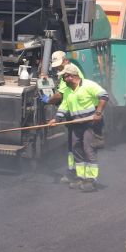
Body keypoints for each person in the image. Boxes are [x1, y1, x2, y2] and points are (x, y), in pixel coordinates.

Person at [48, 64, 109, 192]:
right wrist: (56, 119)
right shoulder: (69, 91)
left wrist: (98, 113)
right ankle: (81, 177)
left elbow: (104, 96)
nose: (63, 80)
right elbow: (64, 106)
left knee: (88, 149)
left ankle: (91, 180)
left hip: (90, 124)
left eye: (64, 77)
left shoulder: (89, 85)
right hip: (77, 124)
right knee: (76, 149)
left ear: (71, 76)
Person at [40, 51, 84, 183]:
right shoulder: (66, 71)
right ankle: (72, 172)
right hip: (72, 113)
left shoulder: (69, 73)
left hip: (77, 115)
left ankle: (79, 176)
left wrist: (48, 100)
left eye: (59, 64)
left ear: (65, 60)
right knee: (72, 144)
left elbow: (60, 96)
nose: (58, 67)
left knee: (77, 145)